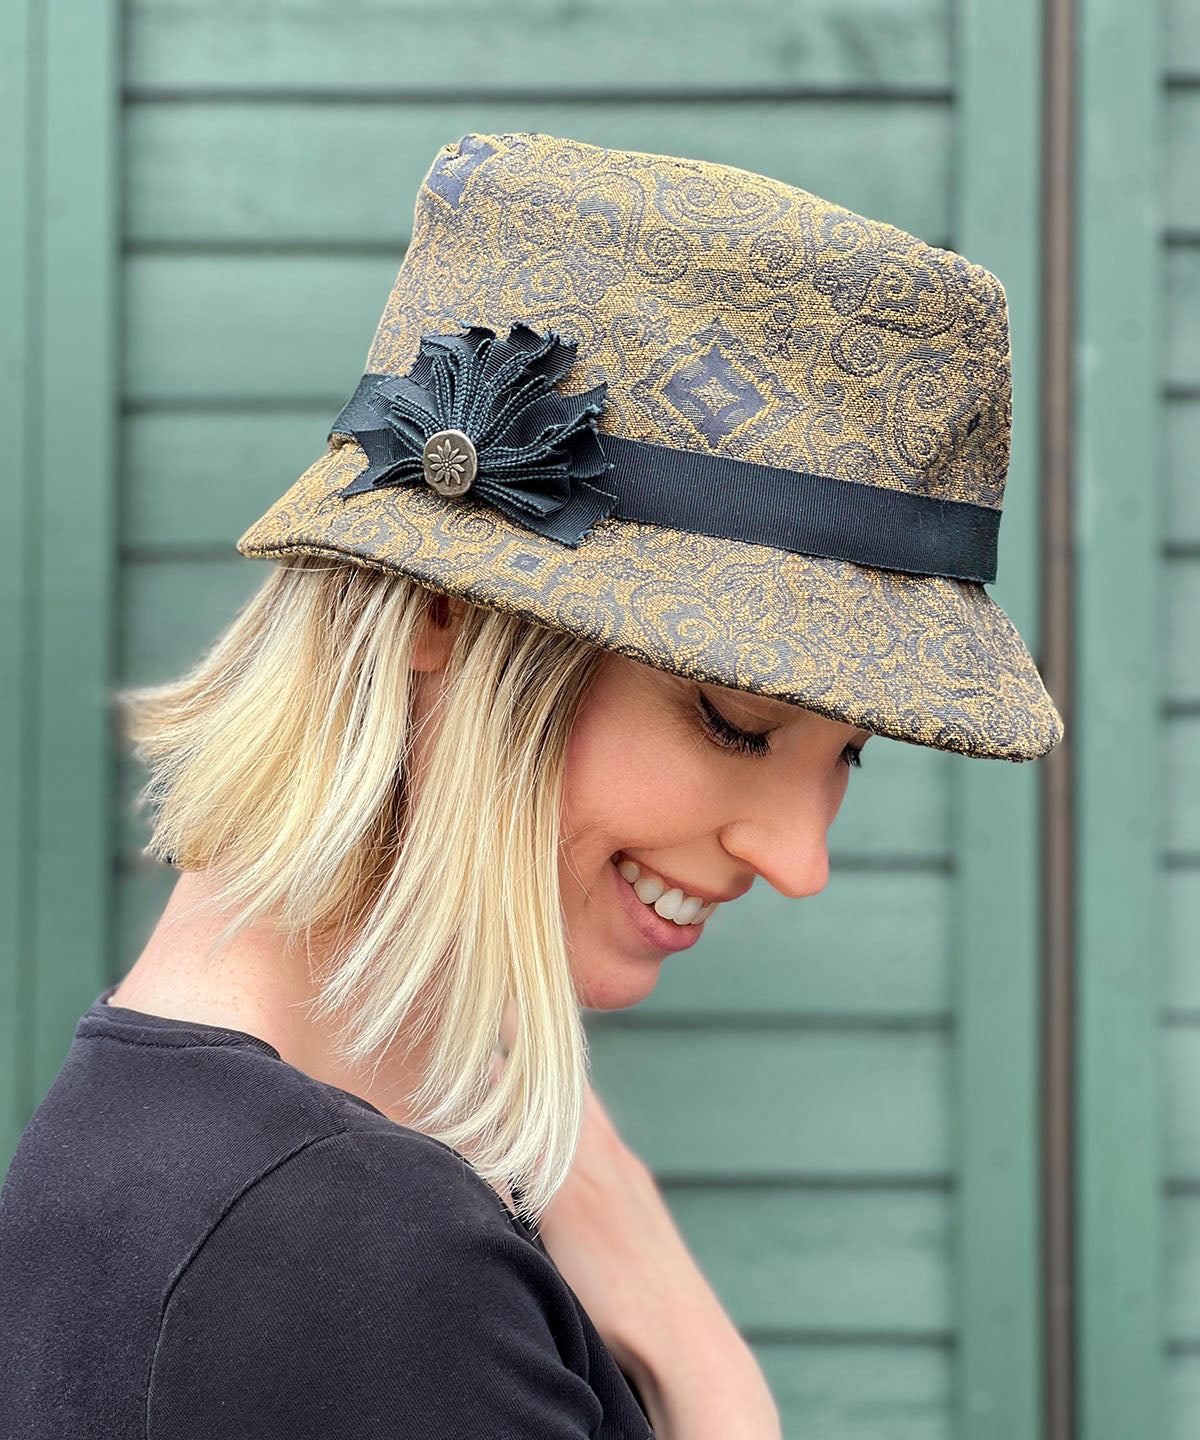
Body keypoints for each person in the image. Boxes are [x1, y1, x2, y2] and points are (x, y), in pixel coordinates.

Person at [0, 132, 1062, 1438]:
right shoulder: (350, 1249)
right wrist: (695, 1354)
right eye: (736, 722)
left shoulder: (145, 1164)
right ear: (443, 614)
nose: (802, 859)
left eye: (845, 752)